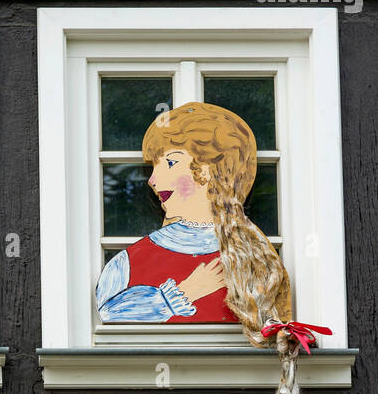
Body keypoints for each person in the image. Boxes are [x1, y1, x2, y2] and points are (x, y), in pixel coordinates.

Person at [96, 101, 291, 332]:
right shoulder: (132, 260)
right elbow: (108, 311)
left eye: (170, 162)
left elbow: (274, 320)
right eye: (153, 167)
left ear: (208, 170)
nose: (152, 180)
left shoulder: (252, 252)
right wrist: (185, 293)